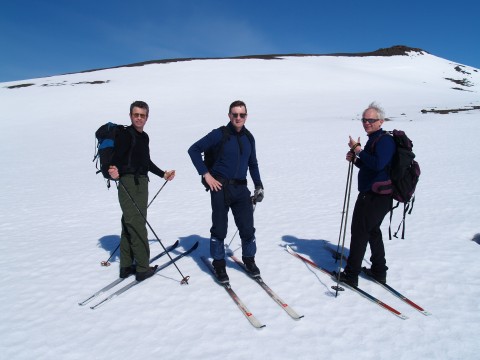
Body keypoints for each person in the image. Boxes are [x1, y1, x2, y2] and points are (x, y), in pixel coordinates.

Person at [188, 100, 264, 283]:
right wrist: (206, 175)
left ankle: (249, 260)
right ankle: (219, 264)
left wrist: (258, 185)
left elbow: (253, 164)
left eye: (242, 114)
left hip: (241, 189)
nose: (238, 117)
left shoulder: (249, 138)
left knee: (247, 228)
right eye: (235, 114)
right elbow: (194, 150)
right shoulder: (219, 134)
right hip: (220, 187)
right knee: (220, 228)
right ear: (229, 115)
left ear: (246, 116)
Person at [108, 101, 175, 282]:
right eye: (136, 114)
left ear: (147, 117)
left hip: (141, 183)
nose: (139, 118)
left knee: (129, 222)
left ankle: (126, 265)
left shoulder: (144, 137)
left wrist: (163, 174)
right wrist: (112, 170)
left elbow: (146, 161)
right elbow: (115, 158)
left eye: (142, 115)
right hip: (129, 183)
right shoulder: (124, 135)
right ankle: (142, 268)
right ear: (130, 116)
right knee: (137, 223)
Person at [336, 102, 395, 287]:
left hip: (374, 197)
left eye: (371, 120)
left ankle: (351, 275)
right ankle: (379, 271)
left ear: (381, 122)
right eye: (364, 119)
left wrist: (359, 151)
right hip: (376, 195)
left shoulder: (385, 140)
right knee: (372, 232)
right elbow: (373, 167)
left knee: (360, 233)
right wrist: (356, 159)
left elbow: (378, 164)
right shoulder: (375, 139)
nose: (367, 123)